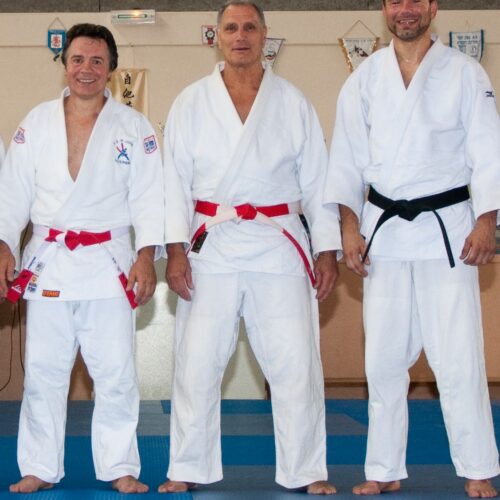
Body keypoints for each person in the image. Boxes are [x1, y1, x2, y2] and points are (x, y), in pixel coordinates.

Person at [160, 0, 341, 495]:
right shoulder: (191, 102)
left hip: (277, 242)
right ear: (216, 36)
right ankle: (188, 467)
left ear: (264, 35)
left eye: (249, 27)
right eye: (231, 28)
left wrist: (326, 249)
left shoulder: (293, 101)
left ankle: (306, 470)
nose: (240, 36)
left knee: (295, 363)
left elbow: (318, 181)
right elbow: (172, 183)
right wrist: (174, 250)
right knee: (197, 363)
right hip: (211, 244)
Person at [325, 0, 500, 498]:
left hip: (448, 232)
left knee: (458, 357)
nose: (406, 10)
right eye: (396, 1)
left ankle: (477, 468)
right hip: (384, 235)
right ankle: (384, 468)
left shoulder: (465, 73)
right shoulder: (363, 79)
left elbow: (488, 151)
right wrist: (348, 227)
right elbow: (346, 160)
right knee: (382, 359)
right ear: (385, 8)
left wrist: (487, 221)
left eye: (415, 1)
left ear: (432, 7)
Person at [0, 23, 164, 494]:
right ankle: (39, 467)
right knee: (43, 373)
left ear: (111, 68)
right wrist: (5, 243)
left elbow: (150, 196)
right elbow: (12, 192)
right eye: (77, 60)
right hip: (50, 260)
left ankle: (119, 467)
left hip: (109, 262)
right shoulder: (36, 122)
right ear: (64, 64)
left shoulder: (134, 127)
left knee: (115, 374)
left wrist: (146, 255)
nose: (86, 69)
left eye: (96, 61)